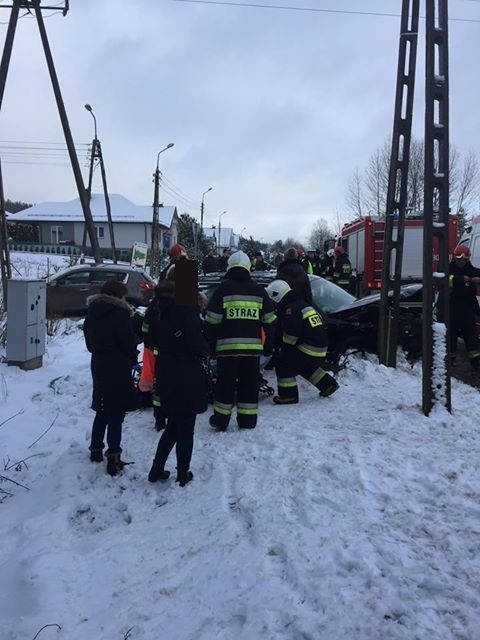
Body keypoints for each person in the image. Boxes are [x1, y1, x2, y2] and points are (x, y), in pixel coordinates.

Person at [145, 267, 209, 487]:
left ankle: (156, 469)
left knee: (173, 423)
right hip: (187, 371)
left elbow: (148, 337)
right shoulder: (185, 308)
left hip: (165, 368)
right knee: (186, 425)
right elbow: (197, 344)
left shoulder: (155, 306)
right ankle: (183, 473)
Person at [205, 250, 276, 431]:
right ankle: (247, 420)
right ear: (248, 268)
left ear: (229, 267)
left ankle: (221, 420)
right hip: (252, 351)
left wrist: (210, 347)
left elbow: (211, 322)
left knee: (225, 385)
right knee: (249, 385)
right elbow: (270, 321)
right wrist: (269, 345)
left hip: (226, 351)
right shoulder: (259, 291)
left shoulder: (222, 290)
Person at [83, 279, 139, 476]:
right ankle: (113, 456)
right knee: (116, 411)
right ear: (118, 296)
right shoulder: (121, 315)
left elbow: (89, 344)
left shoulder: (92, 313)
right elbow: (128, 342)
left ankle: (95, 450)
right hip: (117, 366)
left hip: (98, 364)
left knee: (102, 406)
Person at [266, 279, 339, 404]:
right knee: (305, 366)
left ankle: (288, 395)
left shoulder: (291, 309)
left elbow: (291, 335)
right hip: (319, 345)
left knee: (284, 363)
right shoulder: (300, 304)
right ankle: (328, 385)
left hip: (309, 346)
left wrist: (281, 349)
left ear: (277, 296)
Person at [449, 244, 480, 368]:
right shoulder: (447, 268)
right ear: (455, 258)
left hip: (468, 308)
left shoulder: (471, 269)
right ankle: (450, 360)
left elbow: (477, 273)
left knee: (471, 335)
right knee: (451, 335)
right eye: (459, 259)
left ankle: (475, 360)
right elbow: (443, 278)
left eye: (464, 259)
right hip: (451, 307)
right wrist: (461, 279)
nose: (461, 262)